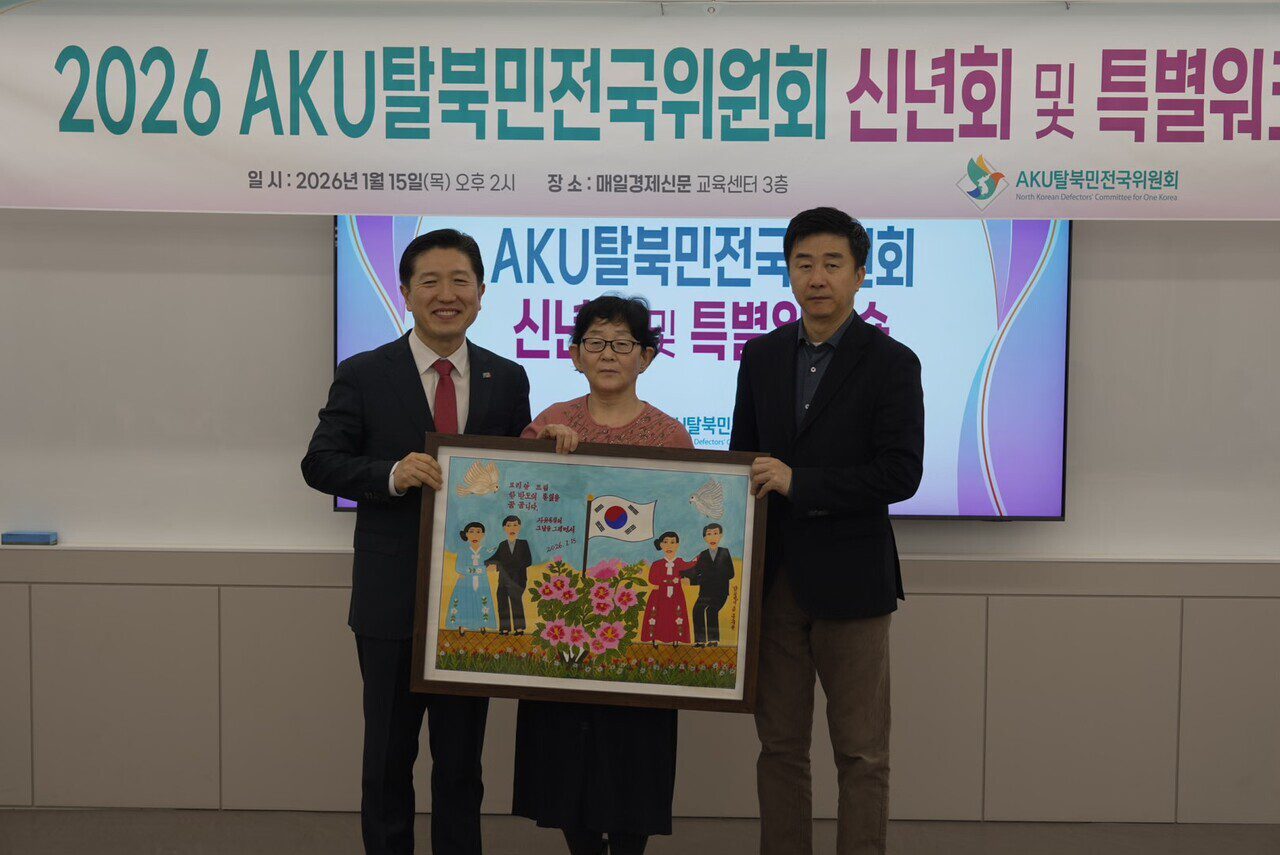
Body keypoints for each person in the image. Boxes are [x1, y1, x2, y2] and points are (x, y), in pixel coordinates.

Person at [303, 228, 550, 855]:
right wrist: (389, 474)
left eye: (460, 281)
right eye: (431, 282)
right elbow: (321, 463)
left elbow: (516, 479)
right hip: (392, 599)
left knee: (462, 763)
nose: (447, 294)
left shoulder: (507, 376)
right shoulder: (363, 373)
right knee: (388, 754)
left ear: (481, 292)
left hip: (474, 602)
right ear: (406, 292)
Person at [729, 207, 925, 855]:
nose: (817, 277)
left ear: (861, 273)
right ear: (788, 271)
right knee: (780, 747)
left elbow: (900, 473)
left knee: (862, 753)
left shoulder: (892, 362)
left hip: (854, 582)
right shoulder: (759, 356)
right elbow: (742, 460)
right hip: (776, 579)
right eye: (804, 263)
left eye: (832, 264)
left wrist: (800, 482)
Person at [513, 295, 693, 855]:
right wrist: (538, 454)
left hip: (637, 624)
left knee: (636, 751)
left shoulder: (671, 436)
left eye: (623, 343)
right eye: (595, 342)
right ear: (574, 355)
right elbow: (517, 506)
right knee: (565, 754)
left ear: (647, 357)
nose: (608, 354)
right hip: (563, 623)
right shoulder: (549, 424)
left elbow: (683, 529)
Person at [684, 522, 735, 647]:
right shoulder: (703, 555)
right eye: (709, 534)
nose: (712, 537)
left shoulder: (725, 552)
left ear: (721, 535)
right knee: (697, 610)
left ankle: (713, 640)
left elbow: (731, 573)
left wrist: (708, 577)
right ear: (705, 537)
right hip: (705, 592)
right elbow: (695, 572)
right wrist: (683, 576)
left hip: (720, 592)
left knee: (711, 610)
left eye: (715, 533)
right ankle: (700, 640)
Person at [640, 531, 693, 645]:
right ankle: (655, 640)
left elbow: (691, 567)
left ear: (677, 545)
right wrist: (670, 580)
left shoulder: (680, 562)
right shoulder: (657, 564)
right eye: (665, 542)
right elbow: (652, 579)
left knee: (675, 616)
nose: (669, 546)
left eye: (673, 542)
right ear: (661, 545)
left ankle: (676, 640)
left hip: (676, 594)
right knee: (658, 617)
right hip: (659, 595)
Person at [485, 514, 533, 635]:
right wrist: (488, 563)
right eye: (508, 525)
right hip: (503, 580)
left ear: (519, 527)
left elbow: (528, 561)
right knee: (502, 602)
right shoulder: (502, 545)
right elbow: (494, 558)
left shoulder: (523, 543)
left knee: (516, 601)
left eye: (515, 525)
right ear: (504, 528)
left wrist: (502, 565)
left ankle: (519, 628)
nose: (512, 528)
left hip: (518, 580)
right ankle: (505, 628)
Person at [448, 522, 497, 632]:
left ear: (483, 535)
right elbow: (459, 568)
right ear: (466, 535)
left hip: (482, 582)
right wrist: (483, 569)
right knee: (465, 602)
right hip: (465, 582)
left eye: (478, 532)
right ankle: (462, 625)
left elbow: (494, 560)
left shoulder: (485, 551)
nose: (475, 535)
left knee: (482, 600)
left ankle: (482, 624)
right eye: (471, 532)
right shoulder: (462, 551)